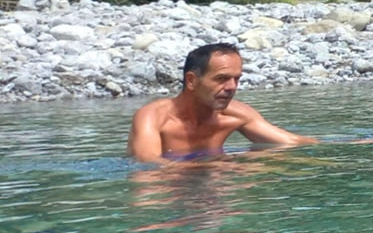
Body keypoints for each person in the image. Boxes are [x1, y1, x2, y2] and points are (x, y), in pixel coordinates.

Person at [128, 43, 323, 161]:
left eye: (236, 79)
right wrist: (222, 164)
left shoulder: (236, 115)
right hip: (168, 192)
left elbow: (292, 142)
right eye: (221, 79)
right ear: (191, 81)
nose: (232, 87)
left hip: (214, 185)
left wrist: (346, 148)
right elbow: (148, 164)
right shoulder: (153, 117)